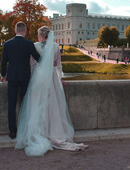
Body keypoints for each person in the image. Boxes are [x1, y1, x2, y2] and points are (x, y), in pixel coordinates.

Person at [15, 26, 88, 156]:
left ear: (40, 35)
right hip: (52, 77)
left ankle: (42, 132)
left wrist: (32, 79)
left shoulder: (35, 46)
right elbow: (58, 64)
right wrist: (60, 78)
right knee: (54, 105)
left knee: (37, 104)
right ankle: (54, 131)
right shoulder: (55, 46)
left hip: (39, 77)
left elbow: (31, 64)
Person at [1, 22, 40, 140]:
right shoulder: (29, 44)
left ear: (15, 30)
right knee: (26, 105)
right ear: (25, 31)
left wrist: (3, 74)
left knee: (11, 105)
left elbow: (4, 61)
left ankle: (13, 131)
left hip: (12, 77)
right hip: (25, 78)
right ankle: (25, 130)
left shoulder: (7, 44)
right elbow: (38, 59)